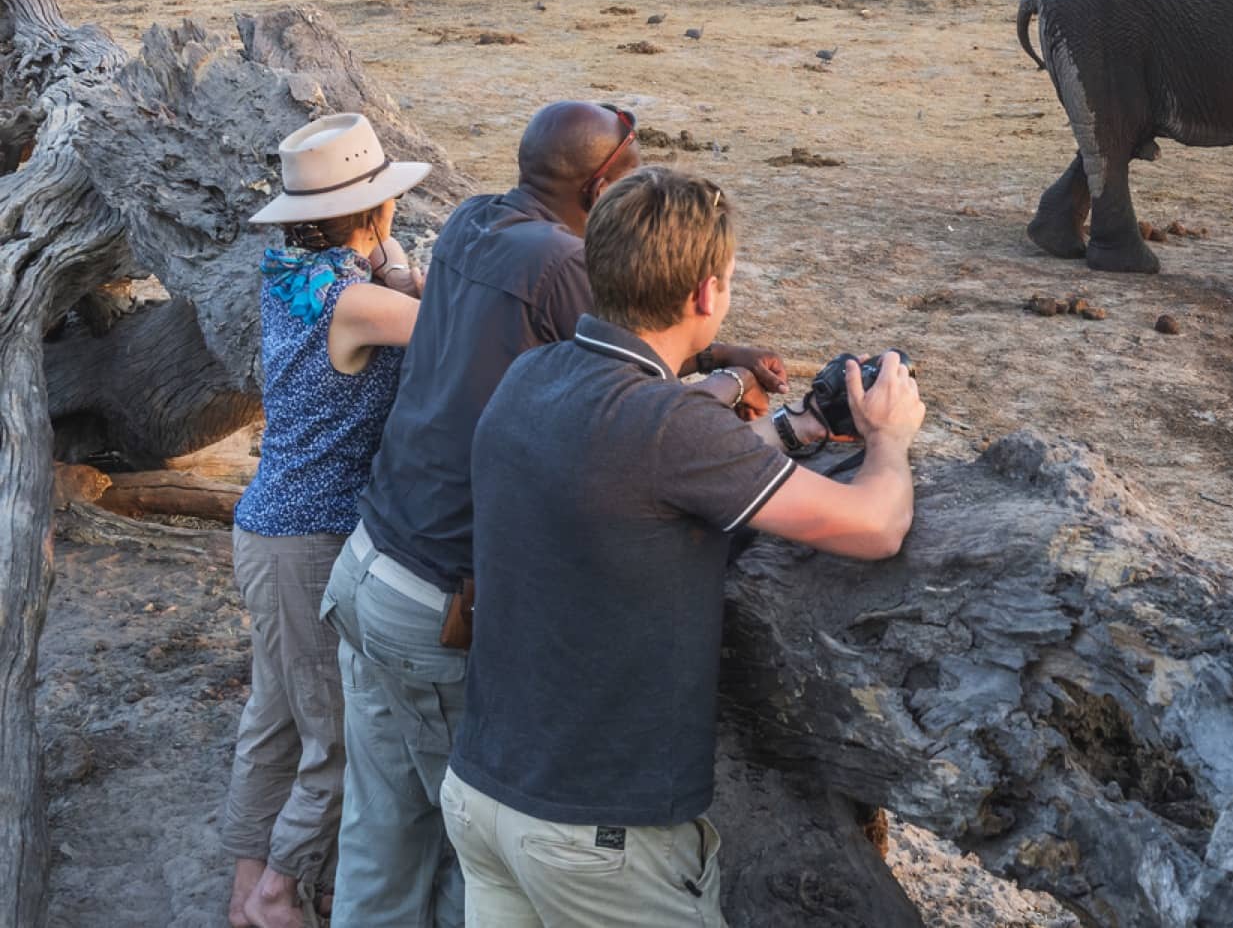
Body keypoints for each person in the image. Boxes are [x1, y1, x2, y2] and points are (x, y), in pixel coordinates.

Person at [322, 102, 796, 927]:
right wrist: (725, 382)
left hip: (368, 564)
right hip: (440, 602)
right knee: (482, 860)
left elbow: (589, 322)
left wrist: (719, 355)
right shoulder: (563, 259)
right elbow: (631, 379)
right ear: (605, 183)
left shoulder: (475, 222)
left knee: (382, 835)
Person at [441, 167, 925, 927]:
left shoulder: (534, 374)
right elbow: (876, 523)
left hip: (484, 795)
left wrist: (796, 428)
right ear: (707, 294)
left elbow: (651, 471)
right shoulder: (670, 428)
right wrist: (889, 440)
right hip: (596, 837)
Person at [223, 113, 430, 928]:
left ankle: (244, 890)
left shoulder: (289, 274)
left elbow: (388, 290)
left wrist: (386, 256)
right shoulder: (356, 303)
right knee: (335, 736)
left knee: (274, 720)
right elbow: (458, 328)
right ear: (376, 213)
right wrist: (403, 261)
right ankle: (281, 893)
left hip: (268, 528)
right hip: (310, 541)